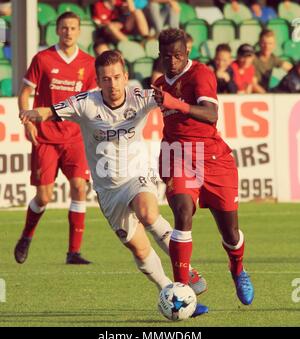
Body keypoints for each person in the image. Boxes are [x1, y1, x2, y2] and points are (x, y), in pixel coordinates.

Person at [19, 50, 209, 317]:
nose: (113, 84)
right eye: (106, 79)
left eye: (117, 77)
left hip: (137, 175)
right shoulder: (85, 103)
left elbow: (175, 100)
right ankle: (170, 292)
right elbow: (49, 112)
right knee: (138, 246)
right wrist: (29, 113)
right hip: (108, 190)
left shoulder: (141, 97)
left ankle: (186, 268)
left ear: (126, 77)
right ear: (98, 81)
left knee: (148, 212)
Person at [152, 28, 254, 306]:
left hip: (213, 158)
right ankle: (182, 292)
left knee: (230, 233)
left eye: (177, 55)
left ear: (187, 53)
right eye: (166, 56)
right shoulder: (159, 83)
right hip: (178, 155)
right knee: (183, 213)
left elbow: (211, 114)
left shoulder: (201, 75)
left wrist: (176, 103)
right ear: (159, 55)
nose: (172, 61)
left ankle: (238, 269)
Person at [14, 12, 97, 265]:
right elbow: (25, 93)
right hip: (46, 137)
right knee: (44, 197)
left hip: (74, 137)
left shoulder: (89, 63)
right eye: (64, 28)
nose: (68, 32)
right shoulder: (43, 58)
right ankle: (27, 235)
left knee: (79, 187)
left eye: (73, 28)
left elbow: (92, 101)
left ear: (79, 31)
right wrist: (27, 120)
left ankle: (74, 252)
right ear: (57, 30)